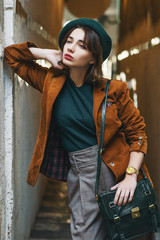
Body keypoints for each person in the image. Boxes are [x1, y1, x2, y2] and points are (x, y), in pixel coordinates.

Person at [4, 18, 151, 240]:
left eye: (81, 45)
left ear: (93, 57)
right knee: (85, 233)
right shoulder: (51, 82)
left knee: (122, 232)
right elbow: (12, 56)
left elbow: (137, 132)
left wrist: (131, 176)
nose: (70, 48)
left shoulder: (114, 90)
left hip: (116, 168)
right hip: (80, 170)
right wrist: (46, 53)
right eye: (68, 41)